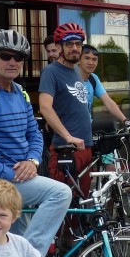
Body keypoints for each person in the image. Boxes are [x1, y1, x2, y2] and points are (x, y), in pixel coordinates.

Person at [0, 29, 71, 257]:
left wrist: (32, 160)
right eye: (6, 56)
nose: (13, 62)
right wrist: (7, 173)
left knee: (16, 239)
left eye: (18, 57)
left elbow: (34, 133)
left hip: (20, 176)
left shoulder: (20, 91)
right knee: (61, 193)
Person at [39, 23, 96, 196]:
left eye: (78, 44)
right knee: (64, 206)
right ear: (60, 47)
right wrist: (68, 136)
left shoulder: (77, 71)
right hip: (66, 149)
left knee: (83, 202)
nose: (74, 48)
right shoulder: (51, 72)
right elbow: (45, 107)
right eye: (69, 44)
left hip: (85, 146)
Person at [77, 44, 130, 128]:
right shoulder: (70, 78)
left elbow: (108, 102)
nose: (91, 63)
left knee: (111, 127)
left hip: (87, 127)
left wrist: (125, 120)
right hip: (71, 129)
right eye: (87, 58)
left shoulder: (93, 79)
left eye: (94, 59)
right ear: (79, 60)